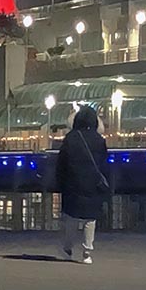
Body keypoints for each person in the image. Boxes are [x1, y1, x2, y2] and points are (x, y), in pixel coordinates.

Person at [56, 105, 109, 265]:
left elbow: (61, 163)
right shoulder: (99, 140)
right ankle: (87, 252)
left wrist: (61, 182)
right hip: (92, 184)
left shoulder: (71, 139)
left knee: (71, 217)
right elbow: (103, 163)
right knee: (89, 219)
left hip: (72, 182)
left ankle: (67, 249)